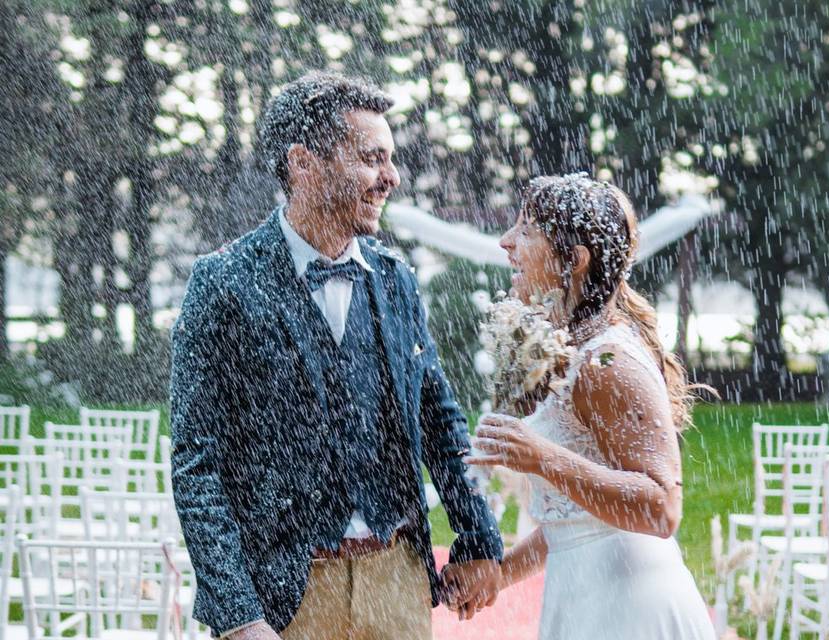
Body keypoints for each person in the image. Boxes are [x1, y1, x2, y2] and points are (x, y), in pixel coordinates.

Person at [170, 71, 502, 640]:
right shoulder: (222, 284)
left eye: (390, 159)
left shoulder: (397, 280)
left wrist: (478, 538)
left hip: (395, 578)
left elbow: (440, 421)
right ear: (304, 163)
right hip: (283, 596)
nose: (391, 178)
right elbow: (196, 464)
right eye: (372, 158)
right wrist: (236, 615)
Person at [466, 173, 714, 639]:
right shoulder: (577, 351)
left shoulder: (608, 359)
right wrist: (500, 573)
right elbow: (579, 517)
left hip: (630, 608)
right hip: (585, 595)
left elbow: (661, 507)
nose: (505, 242)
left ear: (574, 260)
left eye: (526, 231)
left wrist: (540, 457)